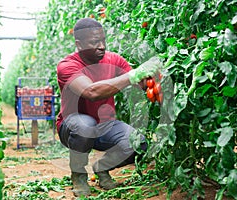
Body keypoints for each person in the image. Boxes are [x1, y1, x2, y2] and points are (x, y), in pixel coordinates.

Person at [56, 18, 162, 197]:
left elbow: (139, 82)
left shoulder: (114, 60)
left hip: (105, 125)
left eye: (103, 40)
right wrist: (133, 75)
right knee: (85, 124)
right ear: (79, 44)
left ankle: (102, 167)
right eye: (94, 42)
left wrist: (155, 78)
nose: (102, 46)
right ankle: (79, 175)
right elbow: (91, 92)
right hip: (73, 126)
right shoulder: (67, 66)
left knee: (138, 143)